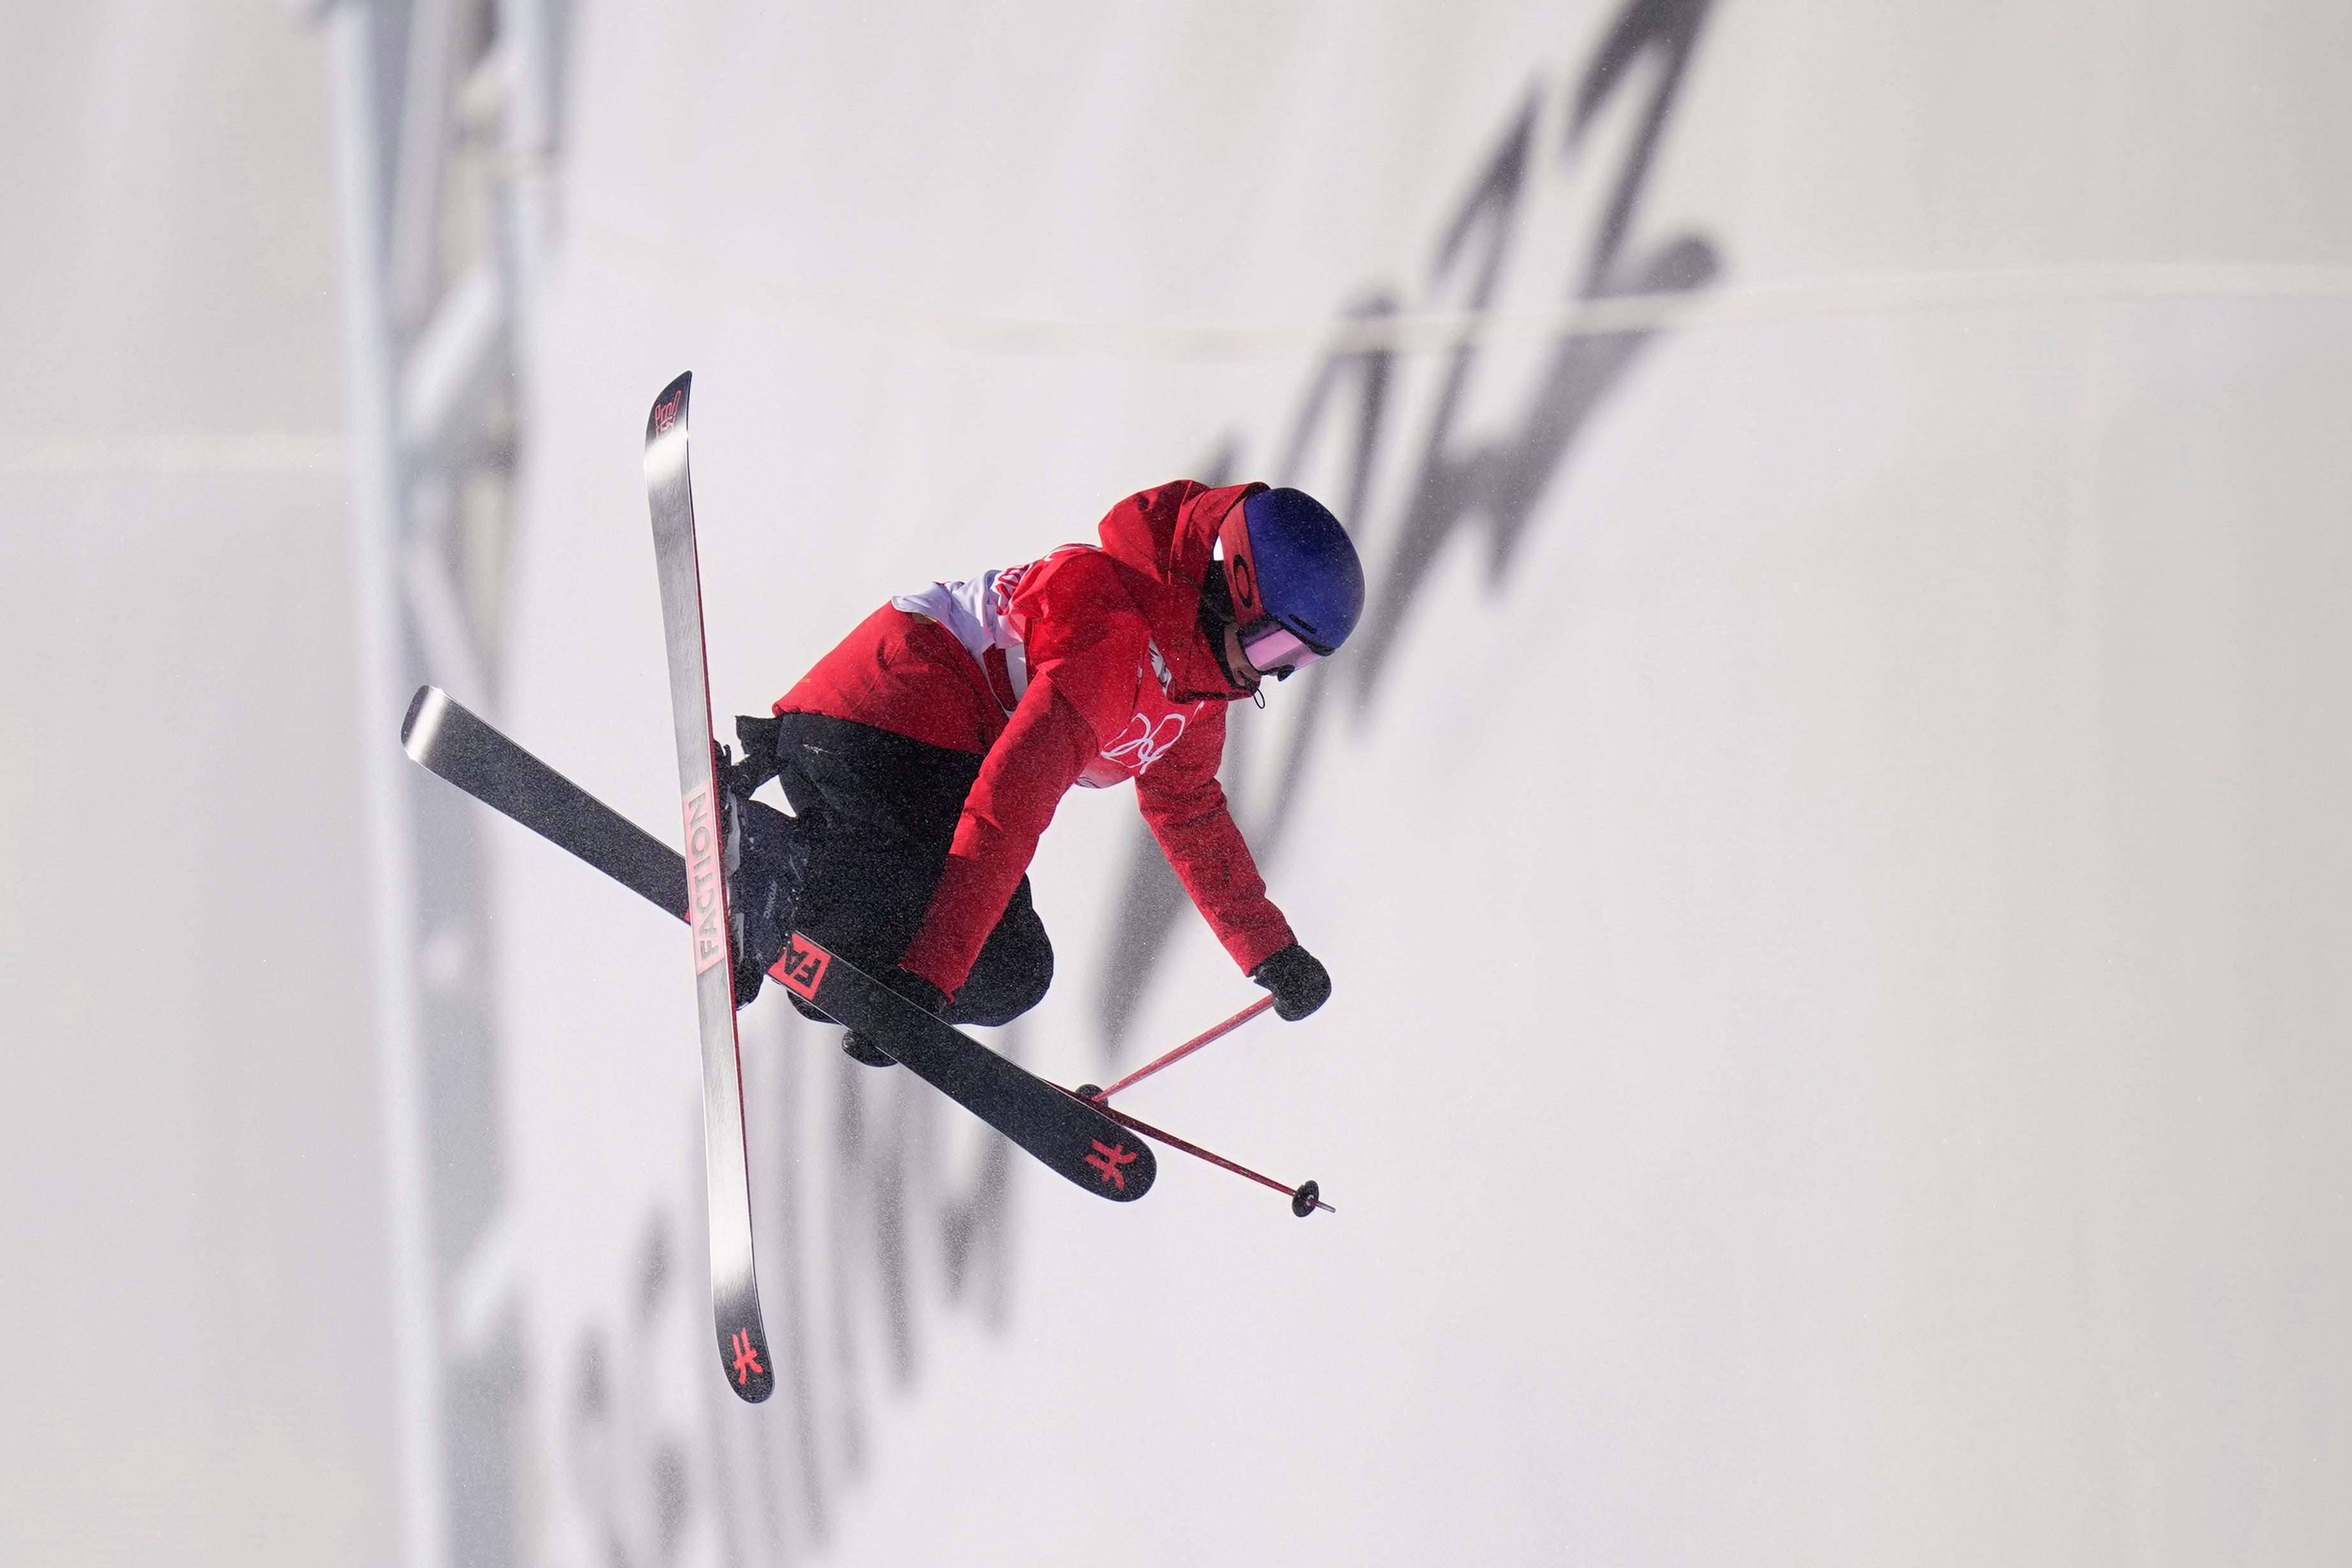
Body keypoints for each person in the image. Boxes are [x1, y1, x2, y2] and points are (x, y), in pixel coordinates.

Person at [720, 479, 1362, 1065]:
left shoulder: (1195, 695)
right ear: (1236, 593)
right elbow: (1011, 803)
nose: (1269, 673)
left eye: (1296, 661)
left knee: (1006, 972)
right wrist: (930, 977)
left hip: (882, 757)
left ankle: (788, 907)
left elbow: (1189, 810)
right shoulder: (1115, 636)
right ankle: (781, 880)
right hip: (888, 721)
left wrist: (1269, 948)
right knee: (1002, 963)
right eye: (1272, 645)